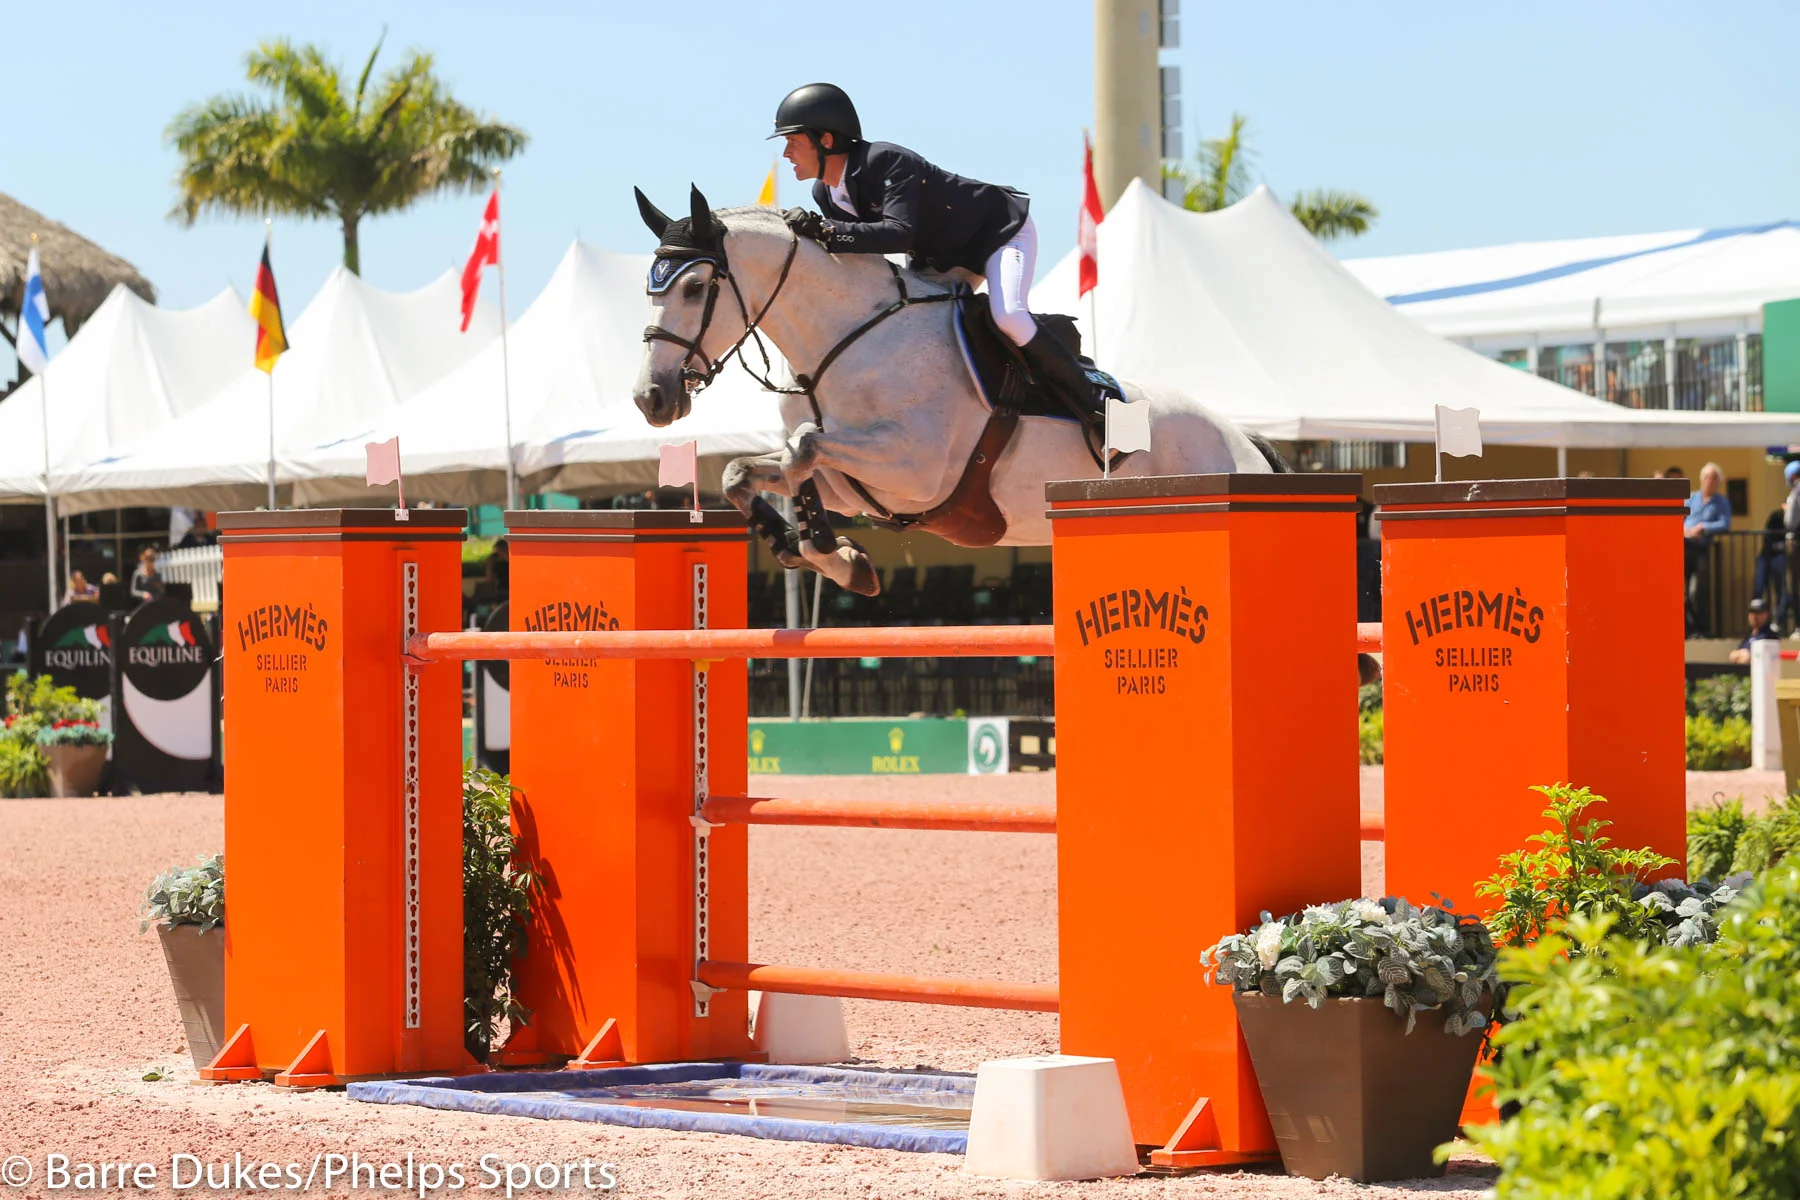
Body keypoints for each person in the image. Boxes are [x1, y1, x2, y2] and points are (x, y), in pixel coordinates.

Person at [769, 83, 1094, 406]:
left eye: (793, 142)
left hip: (997, 233)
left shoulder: (884, 160)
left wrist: (825, 229)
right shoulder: (825, 193)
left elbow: (898, 233)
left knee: (1009, 315)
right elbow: (862, 258)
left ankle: (1092, 402)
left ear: (826, 140)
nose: (786, 154)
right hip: (941, 258)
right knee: (911, 326)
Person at [1683, 462, 1731, 635]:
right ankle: (1687, 628)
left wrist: (1703, 527)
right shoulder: (1690, 498)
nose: (1710, 481)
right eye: (1707, 477)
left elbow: (1725, 524)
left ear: (1719, 481)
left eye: (1714, 478)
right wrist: (1685, 530)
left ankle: (1701, 629)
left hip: (1701, 550)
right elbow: (1678, 519)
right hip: (1685, 547)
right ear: (1701, 479)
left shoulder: (1721, 502)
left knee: (1697, 592)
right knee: (1682, 592)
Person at [1728, 597, 1781, 664]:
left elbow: (1761, 658)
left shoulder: (1770, 636)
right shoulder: (1749, 635)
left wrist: (1746, 656)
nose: (1755, 616)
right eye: (1752, 612)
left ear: (1766, 615)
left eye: (1759, 613)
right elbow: (1733, 656)